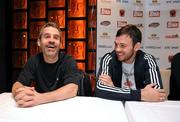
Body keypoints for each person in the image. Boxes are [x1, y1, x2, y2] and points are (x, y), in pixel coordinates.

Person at [12, 22, 82, 107]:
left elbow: (72, 89)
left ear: (60, 44)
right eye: (47, 36)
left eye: (56, 37)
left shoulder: (68, 61)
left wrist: (40, 98)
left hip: (64, 108)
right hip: (41, 109)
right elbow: (18, 84)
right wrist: (20, 93)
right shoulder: (33, 61)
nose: (52, 40)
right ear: (39, 42)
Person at [95, 24, 166, 102]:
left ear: (136, 47)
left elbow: (157, 92)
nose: (117, 49)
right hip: (116, 108)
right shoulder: (109, 59)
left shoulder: (147, 60)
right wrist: (141, 95)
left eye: (122, 46)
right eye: (116, 44)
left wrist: (113, 90)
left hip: (140, 109)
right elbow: (100, 89)